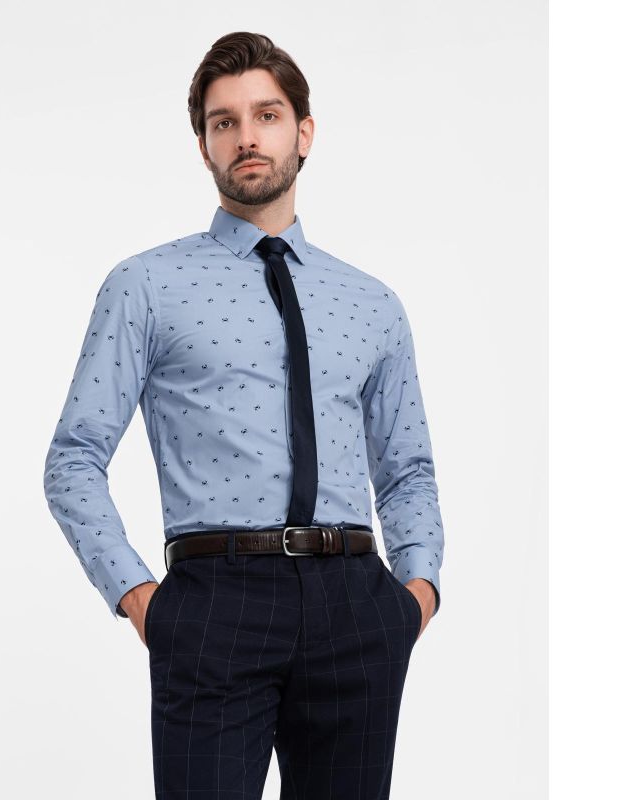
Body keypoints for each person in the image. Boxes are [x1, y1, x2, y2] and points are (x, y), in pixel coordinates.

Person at [44, 30, 445, 800]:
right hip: (214, 604)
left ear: (304, 132)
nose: (246, 137)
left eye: (266, 115)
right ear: (203, 146)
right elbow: (73, 459)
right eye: (223, 122)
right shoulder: (146, 285)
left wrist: (415, 594)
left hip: (357, 603)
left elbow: (408, 470)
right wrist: (143, 601)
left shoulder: (373, 303)